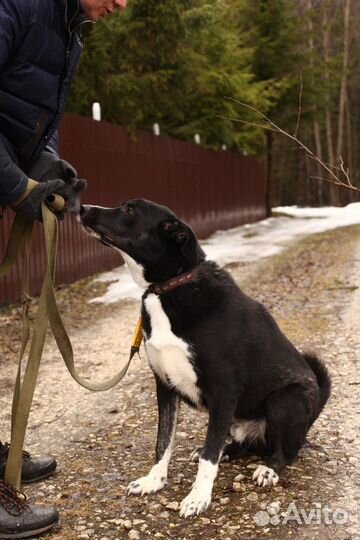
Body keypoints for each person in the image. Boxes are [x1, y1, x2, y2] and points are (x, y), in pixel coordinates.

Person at [0, 0, 127, 537]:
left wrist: (45, 163)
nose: (122, 4)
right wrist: (14, 186)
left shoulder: (69, 23)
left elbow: (28, 114)